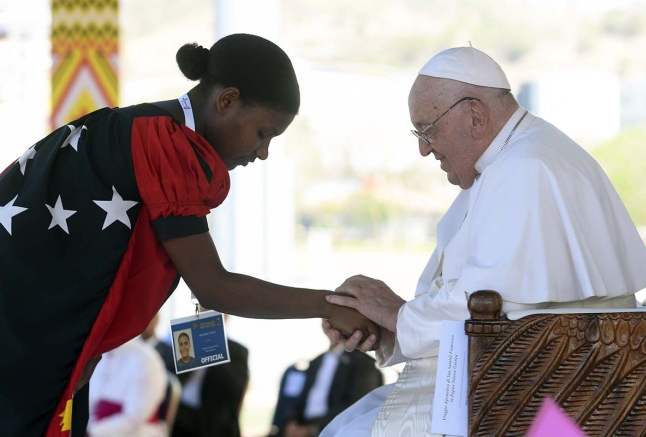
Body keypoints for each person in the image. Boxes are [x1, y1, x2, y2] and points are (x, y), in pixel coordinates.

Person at [0, 33, 379, 437]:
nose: (262, 152)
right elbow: (214, 287)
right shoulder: (167, 145)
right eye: (263, 133)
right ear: (227, 101)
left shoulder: (134, 124)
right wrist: (333, 305)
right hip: (24, 347)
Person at [320, 46, 646, 436]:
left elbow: (485, 304)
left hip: (549, 390)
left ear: (475, 116)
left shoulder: (527, 167)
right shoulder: (511, 159)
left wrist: (396, 314)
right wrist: (392, 329)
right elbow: (493, 304)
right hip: (517, 374)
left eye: (427, 130)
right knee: (346, 422)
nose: (424, 148)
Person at [267, 323, 383, 437]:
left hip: (332, 429)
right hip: (302, 426)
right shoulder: (316, 361)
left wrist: (313, 429)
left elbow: (357, 406)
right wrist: (292, 423)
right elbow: (302, 397)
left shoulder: (363, 363)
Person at [87, 336, 168, 437]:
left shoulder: (146, 359)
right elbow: (90, 402)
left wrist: (91, 432)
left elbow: (133, 419)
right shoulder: (98, 353)